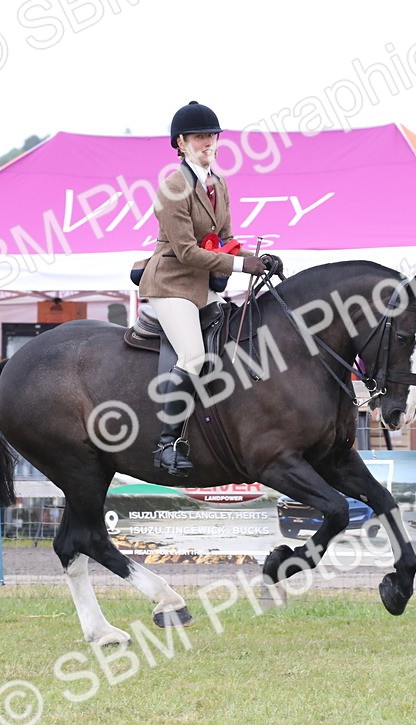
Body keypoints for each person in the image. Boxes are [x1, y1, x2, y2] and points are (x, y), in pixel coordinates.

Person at [135, 101, 282, 476]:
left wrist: (259, 259)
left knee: (235, 341)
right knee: (195, 358)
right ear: (180, 143)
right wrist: (241, 265)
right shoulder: (172, 187)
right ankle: (166, 446)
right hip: (171, 283)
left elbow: (225, 241)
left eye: (212, 136)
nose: (208, 143)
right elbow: (186, 251)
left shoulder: (219, 184)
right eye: (200, 137)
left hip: (202, 285)